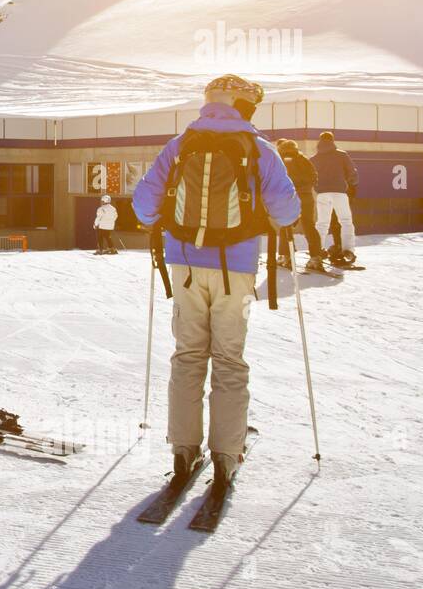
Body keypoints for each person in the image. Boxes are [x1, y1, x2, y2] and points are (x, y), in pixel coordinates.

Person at [132, 75, 299, 499]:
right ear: (244, 106)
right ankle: (226, 454)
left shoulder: (181, 144)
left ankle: (183, 450)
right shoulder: (258, 147)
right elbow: (286, 208)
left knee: (187, 355)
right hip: (237, 268)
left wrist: (163, 225)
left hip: (183, 263)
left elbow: (144, 203)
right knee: (229, 359)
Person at [276, 139, 326, 271]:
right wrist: (306, 188)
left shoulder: (280, 160)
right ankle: (316, 257)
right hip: (306, 197)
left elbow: (276, 180)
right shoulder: (304, 160)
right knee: (309, 225)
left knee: (285, 225)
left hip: (289, 197)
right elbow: (314, 176)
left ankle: (285, 256)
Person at [311, 131, 359, 267]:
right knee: (346, 221)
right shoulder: (342, 155)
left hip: (322, 194)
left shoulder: (314, 158)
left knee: (322, 223)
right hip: (339, 192)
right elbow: (352, 173)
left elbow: (310, 176)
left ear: (319, 141)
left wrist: (317, 187)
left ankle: (318, 250)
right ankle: (348, 249)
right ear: (332, 140)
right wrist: (352, 185)